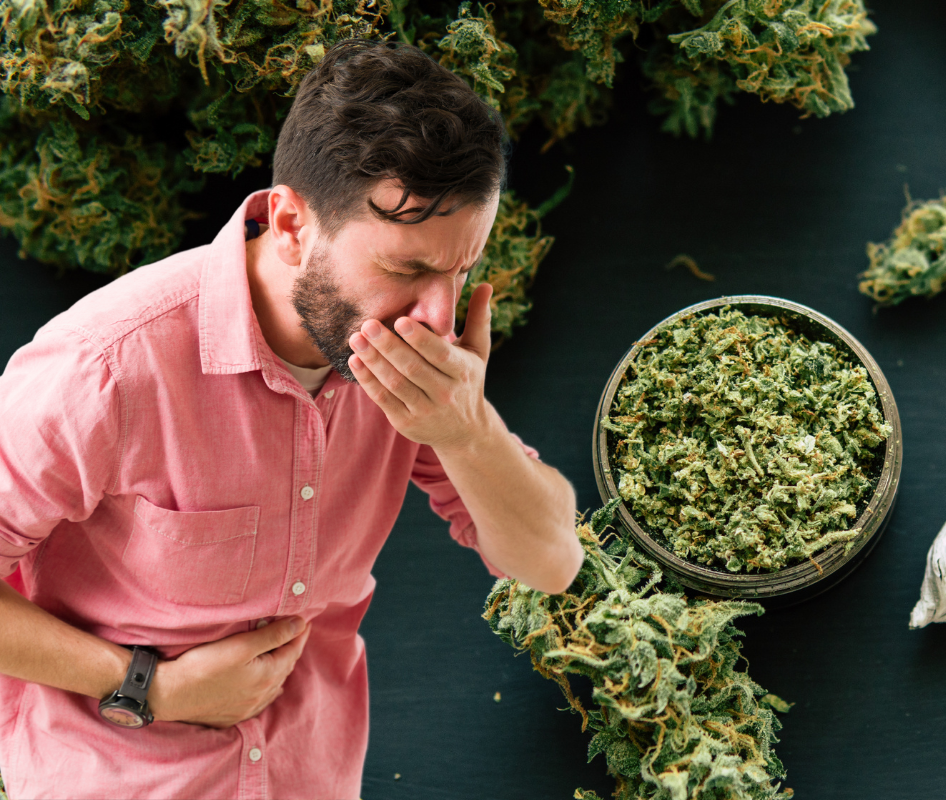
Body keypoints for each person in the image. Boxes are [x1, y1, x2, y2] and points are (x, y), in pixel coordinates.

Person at [0, 39, 581, 799]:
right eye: (407, 270)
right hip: (116, 766)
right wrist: (147, 686)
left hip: (310, 769)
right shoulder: (105, 369)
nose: (438, 315)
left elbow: (551, 563)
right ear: (292, 225)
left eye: (461, 268)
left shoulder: (413, 367)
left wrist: (467, 431)